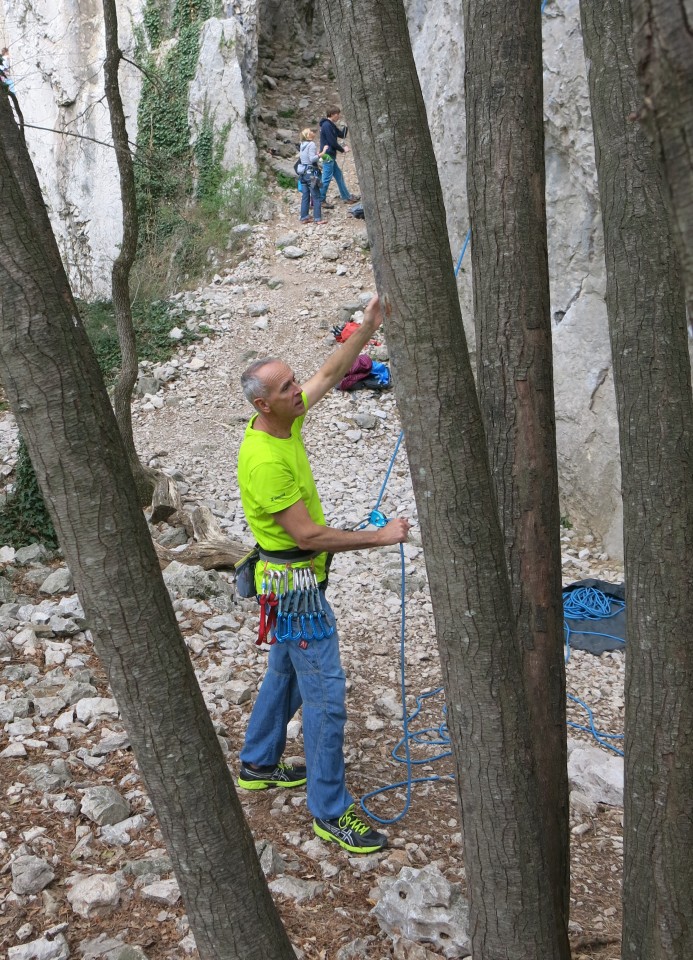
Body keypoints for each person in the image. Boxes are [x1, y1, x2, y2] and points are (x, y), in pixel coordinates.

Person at [236, 295, 410, 854]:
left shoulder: (281, 417)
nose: (297, 390)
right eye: (286, 388)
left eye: (293, 382)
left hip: (290, 582)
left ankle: (258, 764)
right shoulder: (264, 459)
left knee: (286, 675)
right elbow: (308, 536)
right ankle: (330, 812)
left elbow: (331, 372)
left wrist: (366, 327)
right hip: (295, 589)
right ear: (264, 405)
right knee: (327, 695)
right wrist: (379, 538)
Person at [319, 106, 360, 207]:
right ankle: (320, 200)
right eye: (337, 114)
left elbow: (342, 135)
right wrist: (342, 149)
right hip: (327, 155)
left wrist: (347, 125)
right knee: (326, 178)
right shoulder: (326, 125)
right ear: (332, 114)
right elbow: (332, 142)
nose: (339, 116)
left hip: (329, 155)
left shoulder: (331, 125)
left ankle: (346, 197)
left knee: (338, 175)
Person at [296, 127, 327, 225]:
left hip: (303, 174)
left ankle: (304, 217)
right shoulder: (312, 144)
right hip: (311, 174)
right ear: (308, 135)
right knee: (316, 196)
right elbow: (312, 159)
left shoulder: (302, 144)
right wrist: (322, 153)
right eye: (311, 132)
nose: (314, 133)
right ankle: (318, 218)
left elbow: (305, 157)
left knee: (305, 196)